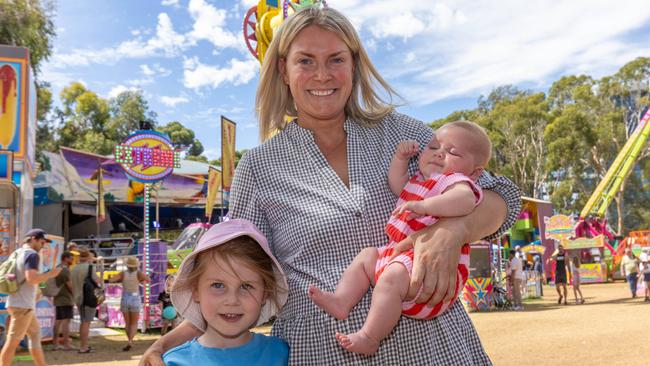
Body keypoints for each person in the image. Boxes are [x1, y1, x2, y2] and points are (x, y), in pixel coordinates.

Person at [141, 5, 520, 365]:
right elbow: (231, 275)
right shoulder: (258, 166)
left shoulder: (405, 134)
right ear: (283, 70)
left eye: (336, 59)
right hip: (320, 352)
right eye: (305, 60)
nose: (322, 74)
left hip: (435, 347)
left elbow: (502, 196)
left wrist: (454, 229)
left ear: (353, 66)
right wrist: (163, 343)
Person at [308, 121, 489, 354]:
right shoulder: (418, 181)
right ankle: (342, 301)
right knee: (367, 256)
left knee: (391, 277)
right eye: (433, 147)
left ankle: (370, 337)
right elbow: (396, 184)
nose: (440, 153)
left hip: (430, 273)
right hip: (400, 257)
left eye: (453, 152)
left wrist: (425, 206)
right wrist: (400, 160)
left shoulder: (455, 182)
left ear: (474, 172)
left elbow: (465, 201)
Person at [162, 219, 289, 366]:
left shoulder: (281, 354)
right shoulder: (174, 362)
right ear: (195, 290)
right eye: (218, 285)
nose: (232, 300)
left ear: (265, 294)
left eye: (246, 286)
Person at [0, 229, 61, 366]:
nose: (43, 245)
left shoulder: (17, 253)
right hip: (23, 305)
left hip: (17, 302)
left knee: (34, 335)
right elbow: (31, 279)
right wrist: (51, 274)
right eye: (42, 241)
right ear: (33, 239)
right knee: (12, 342)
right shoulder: (32, 255)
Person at [108, 256, 150, 351]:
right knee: (134, 323)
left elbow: (111, 280)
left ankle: (129, 340)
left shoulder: (123, 273)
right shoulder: (139, 273)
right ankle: (130, 341)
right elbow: (148, 279)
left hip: (125, 297)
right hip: (135, 297)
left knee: (127, 323)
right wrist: (141, 280)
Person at [71, 248, 99, 353]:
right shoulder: (90, 268)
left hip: (77, 298)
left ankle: (84, 345)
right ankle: (84, 347)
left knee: (83, 321)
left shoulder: (73, 268)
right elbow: (96, 281)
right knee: (86, 323)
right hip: (88, 297)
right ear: (88, 257)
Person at [53, 251, 76, 351]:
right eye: (71, 258)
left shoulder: (58, 267)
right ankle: (66, 344)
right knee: (66, 321)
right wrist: (77, 295)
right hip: (66, 298)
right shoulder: (65, 270)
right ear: (65, 258)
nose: (72, 260)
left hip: (58, 297)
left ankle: (55, 344)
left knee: (58, 322)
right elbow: (70, 285)